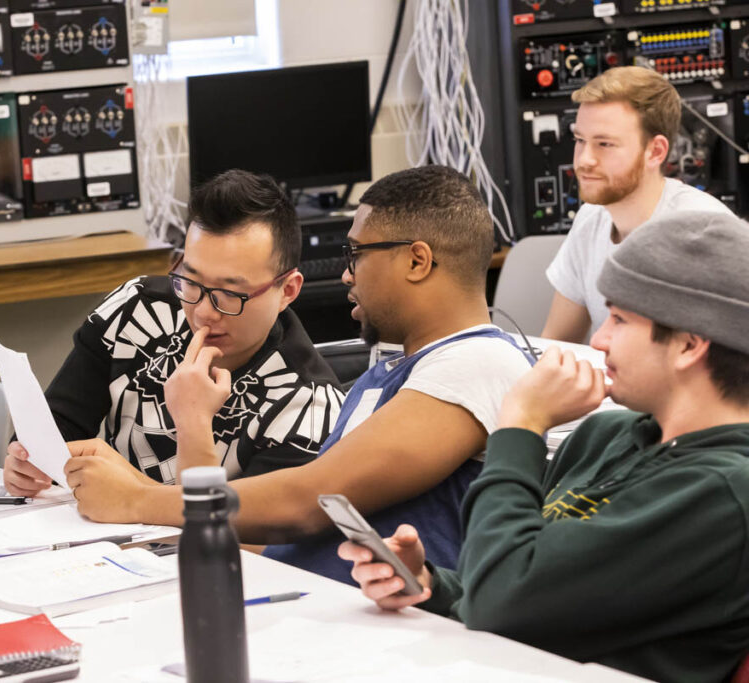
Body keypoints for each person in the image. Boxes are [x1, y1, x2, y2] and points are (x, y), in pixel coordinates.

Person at [59, 166, 535, 584]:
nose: (347, 275)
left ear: (417, 260)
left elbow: (306, 503)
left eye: (356, 254)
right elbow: (274, 538)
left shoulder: (478, 364)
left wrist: (136, 501)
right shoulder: (391, 374)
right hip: (298, 601)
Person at [341, 210, 749, 683]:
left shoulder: (722, 492)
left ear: (688, 344)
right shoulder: (608, 436)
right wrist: (435, 587)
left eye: (619, 318)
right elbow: (528, 585)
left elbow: (503, 603)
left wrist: (521, 425)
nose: (599, 339)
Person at [3, 169, 345, 491]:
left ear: (288, 290)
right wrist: (27, 463)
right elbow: (55, 427)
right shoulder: (135, 308)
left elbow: (235, 533)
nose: (203, 312)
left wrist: (192, 421)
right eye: (190, 281)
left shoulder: (309, 408)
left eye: (230, 293)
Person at [541, 66, 732, 343]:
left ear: (655, 152)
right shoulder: (590, 219)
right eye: (580, 140)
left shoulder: (702, 231)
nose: (584, 160)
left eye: (604, 144)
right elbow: (555, 344)